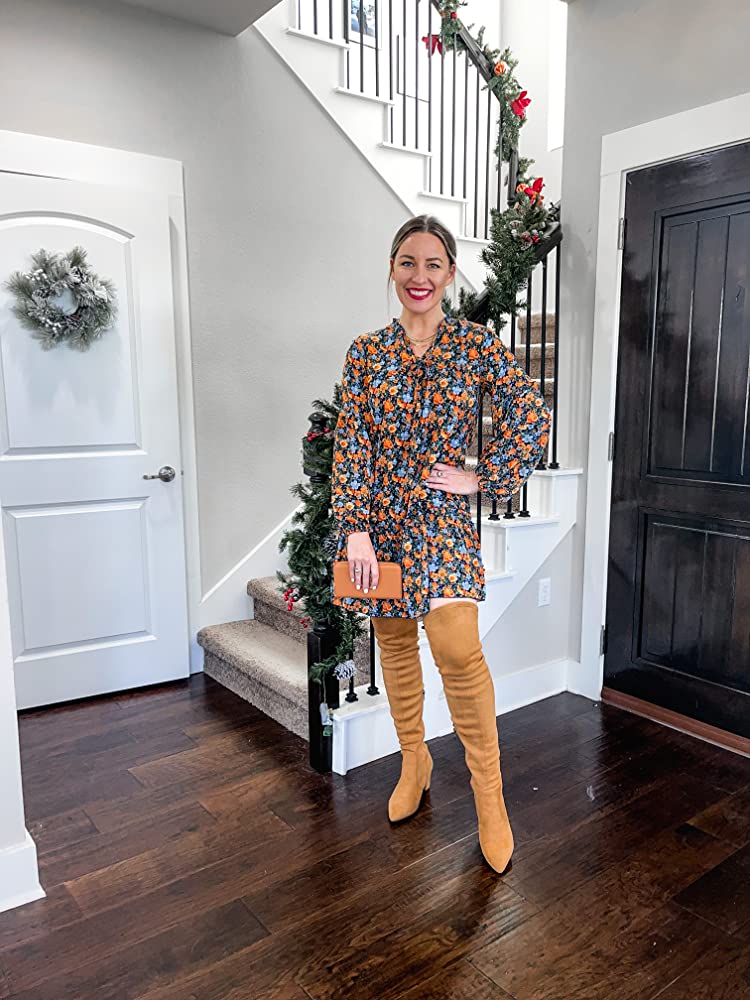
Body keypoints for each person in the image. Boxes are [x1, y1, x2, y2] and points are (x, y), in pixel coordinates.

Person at [330, 214, 551, 874]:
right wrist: (358, 531)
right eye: (407, 262)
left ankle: (490, 798)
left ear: (450, 273)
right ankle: (415, 760)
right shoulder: (366, 352)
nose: (418, 276)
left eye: (432, 264)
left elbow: (530, 415)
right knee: (395, 643)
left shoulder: (475, 346)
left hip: (445, 522)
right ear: (392, 270)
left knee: (456, 643)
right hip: (384, 524)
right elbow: (352, 443)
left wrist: (484, 475)